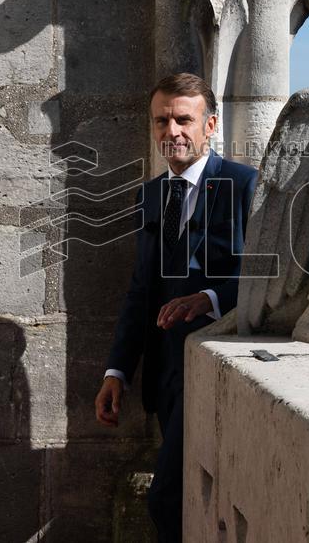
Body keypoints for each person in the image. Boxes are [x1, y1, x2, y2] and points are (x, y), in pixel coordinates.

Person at [94, 73, 257, 541]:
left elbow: (269, 273)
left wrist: (208, 298)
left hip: (215, 367)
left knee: (165, 499)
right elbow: (141, 291)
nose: (172, 132)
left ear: (210, 126)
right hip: (166, 375)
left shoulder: (243, 184)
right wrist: (116, 373)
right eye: (162, 121)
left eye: (183, 120)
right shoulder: (152, 195)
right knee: (184, 502)